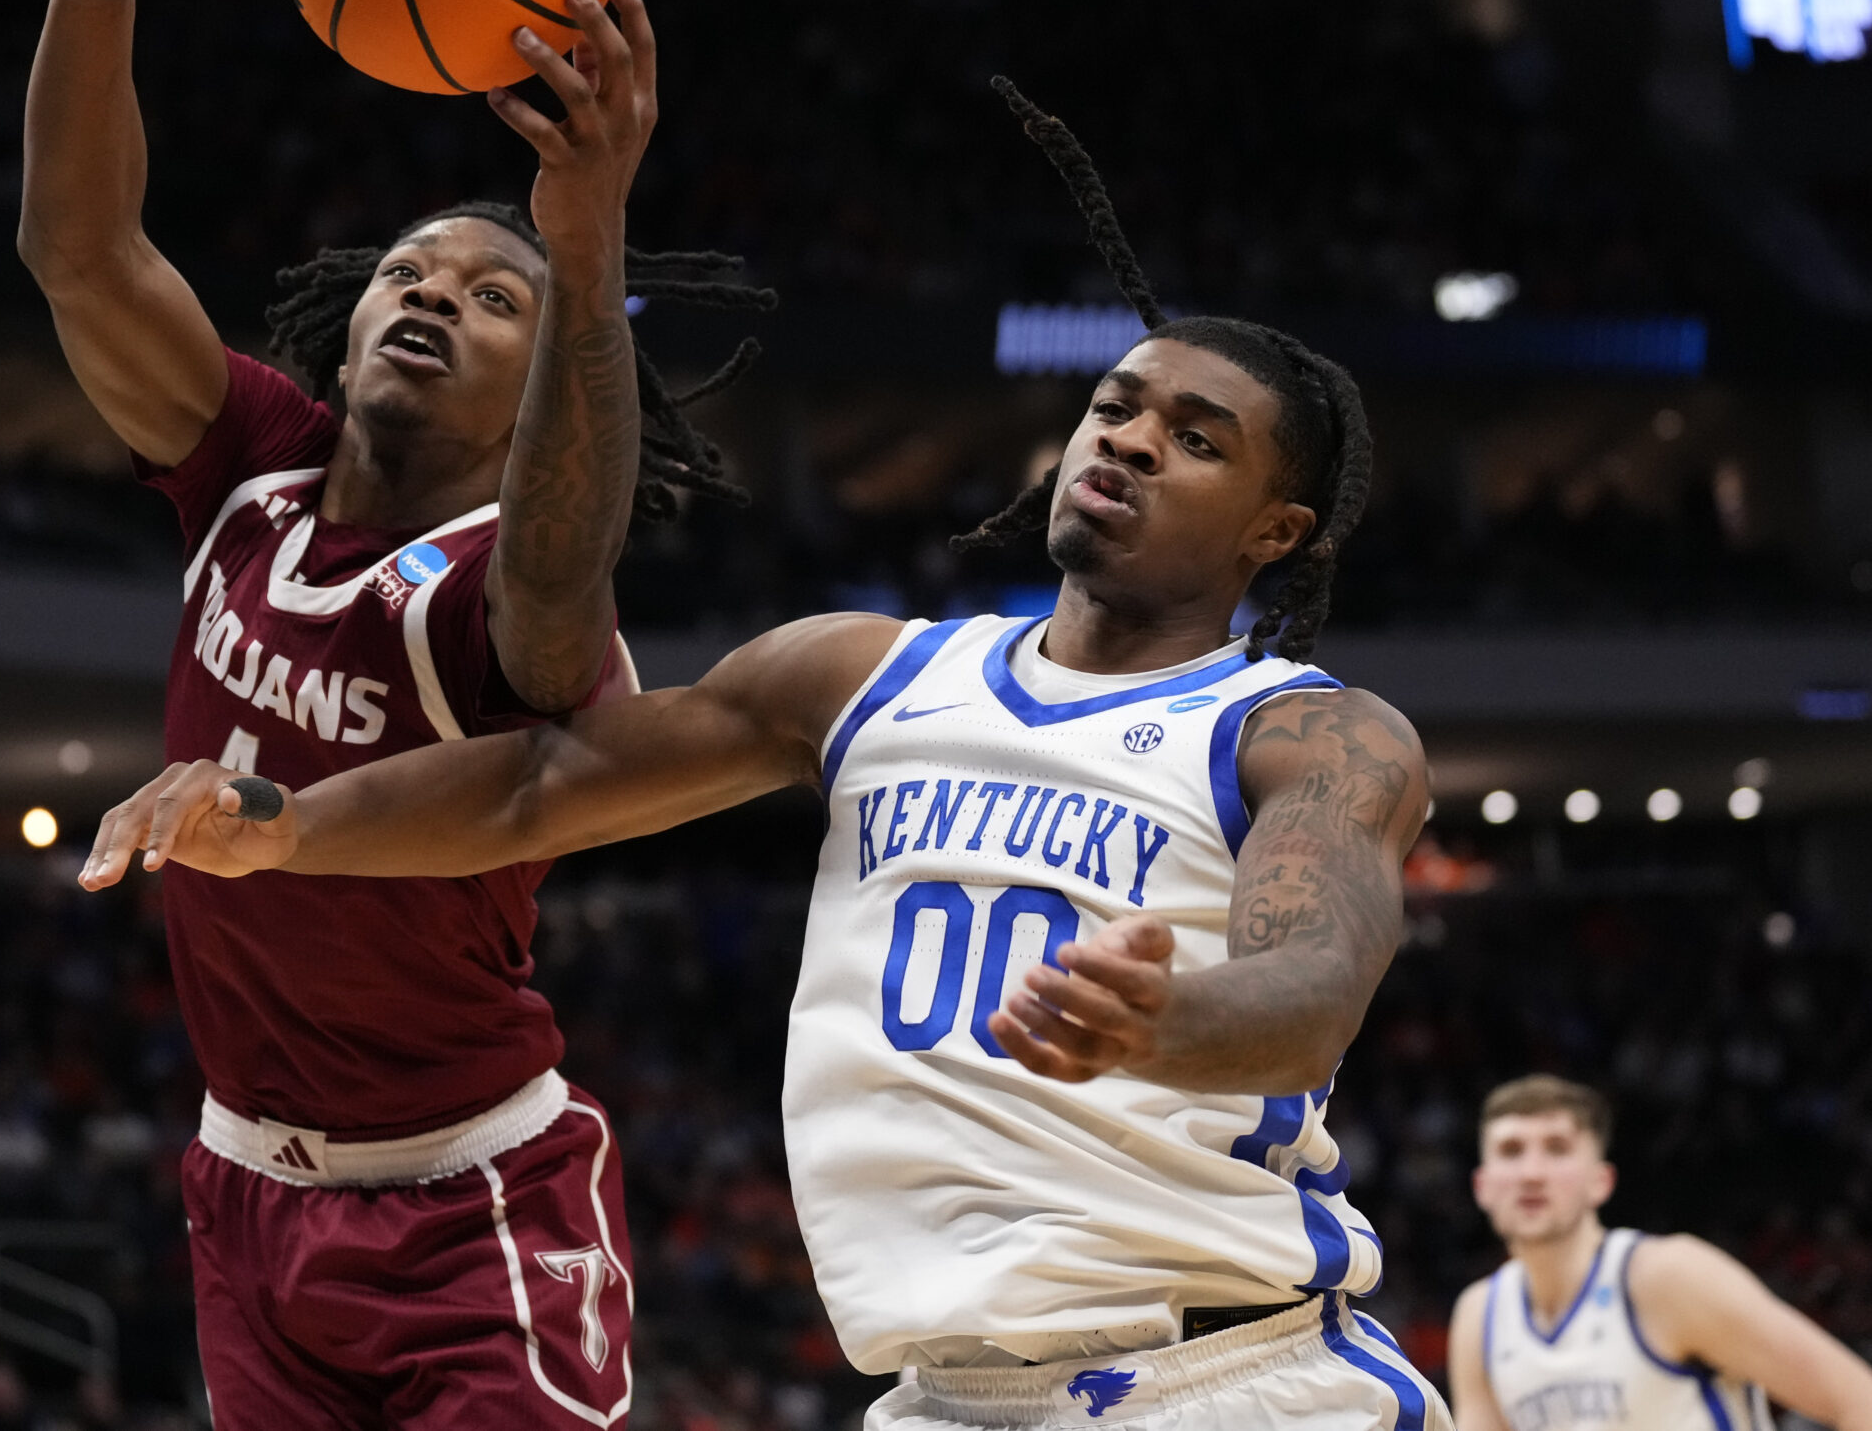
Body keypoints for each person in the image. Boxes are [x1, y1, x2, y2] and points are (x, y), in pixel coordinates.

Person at [88, 84, 1445, 1430]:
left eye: (1196, 441)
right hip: (949, 1398)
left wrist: (1170, 1021)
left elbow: (1314, 979)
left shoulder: (1308, 731)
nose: (1132, 439)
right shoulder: (863, 674)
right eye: (1119, 405)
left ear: (1277, 531)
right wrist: (282, 823)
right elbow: (531, 782)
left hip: (1235, 1382)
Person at [30, 0, 768, 1427]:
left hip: (470, 1204)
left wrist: (584, 250)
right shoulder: (250, 464)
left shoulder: (500, 575)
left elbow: (564, 587)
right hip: (241, 1187)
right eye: (411, 273)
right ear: (350, 314)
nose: (435, 292)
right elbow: (79, 252)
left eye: (493, 297)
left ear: (551, 377)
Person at [1447, 1075, 1872, 1431]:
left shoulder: (1666, 1277)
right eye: (1511, 1151)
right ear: (1482, 1187)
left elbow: (1870, 1406)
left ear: (1600, 1181)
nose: (1531, 1173)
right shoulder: (1480, 1315)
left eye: (1557, 1149)